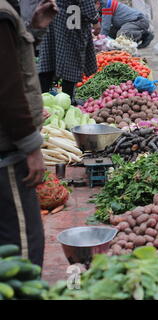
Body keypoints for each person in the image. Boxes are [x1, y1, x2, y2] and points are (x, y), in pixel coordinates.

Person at [0, 0, 58, 267]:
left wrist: (34, 30)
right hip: (8, 151)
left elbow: (12, 61)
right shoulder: (2, 13)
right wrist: (32, 146)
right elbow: (8, 89)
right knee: (24, 246)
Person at [38, 0, 99, 102]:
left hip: (52, 15)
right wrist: (95, 21)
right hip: (70, 20)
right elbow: (86, 3)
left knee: (49, 57)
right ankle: (67, 100)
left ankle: (41, 98)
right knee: (72, 59)